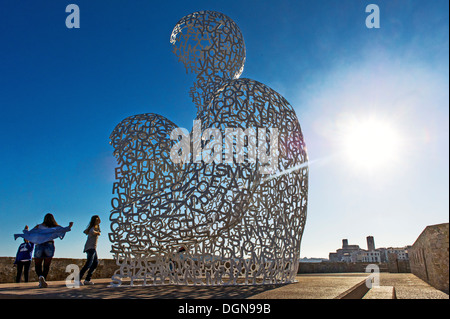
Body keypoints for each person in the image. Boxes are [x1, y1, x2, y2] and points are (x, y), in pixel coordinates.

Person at [30, 214, 73, 288]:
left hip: (39, 245)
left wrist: (26, 231)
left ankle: (40, 277)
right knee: (46, 265)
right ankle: (43, 280)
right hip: (49, 245)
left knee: (38, 265)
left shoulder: (39, 226)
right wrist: (69, 226)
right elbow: (64, 229)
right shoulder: (55, 227)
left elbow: (31, 233)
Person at [78, 215, 101, 285]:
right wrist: (98, 233)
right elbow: (92, 232)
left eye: (98, 220)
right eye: (96, 220)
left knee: (95, 263)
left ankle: (87, 280)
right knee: (89, 264)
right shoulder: (93, 228)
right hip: (90, 248)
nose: (97, 221)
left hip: (93, 248)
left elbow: (85, 231)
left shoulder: (96, 227)